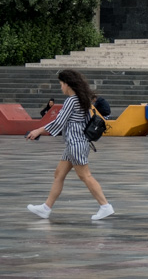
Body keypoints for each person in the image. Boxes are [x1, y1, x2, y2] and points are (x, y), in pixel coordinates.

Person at [24, 69, 114, 221]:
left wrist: (38, 130)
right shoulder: (82, 98)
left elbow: (59, 121)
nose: (60, 88)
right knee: (59, 174)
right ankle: (46, 208)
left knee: (85, 176)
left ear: (67, 84)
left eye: (61, 84)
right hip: (75, 143)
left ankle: (105, 206)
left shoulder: (72, 101)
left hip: (76, 143)